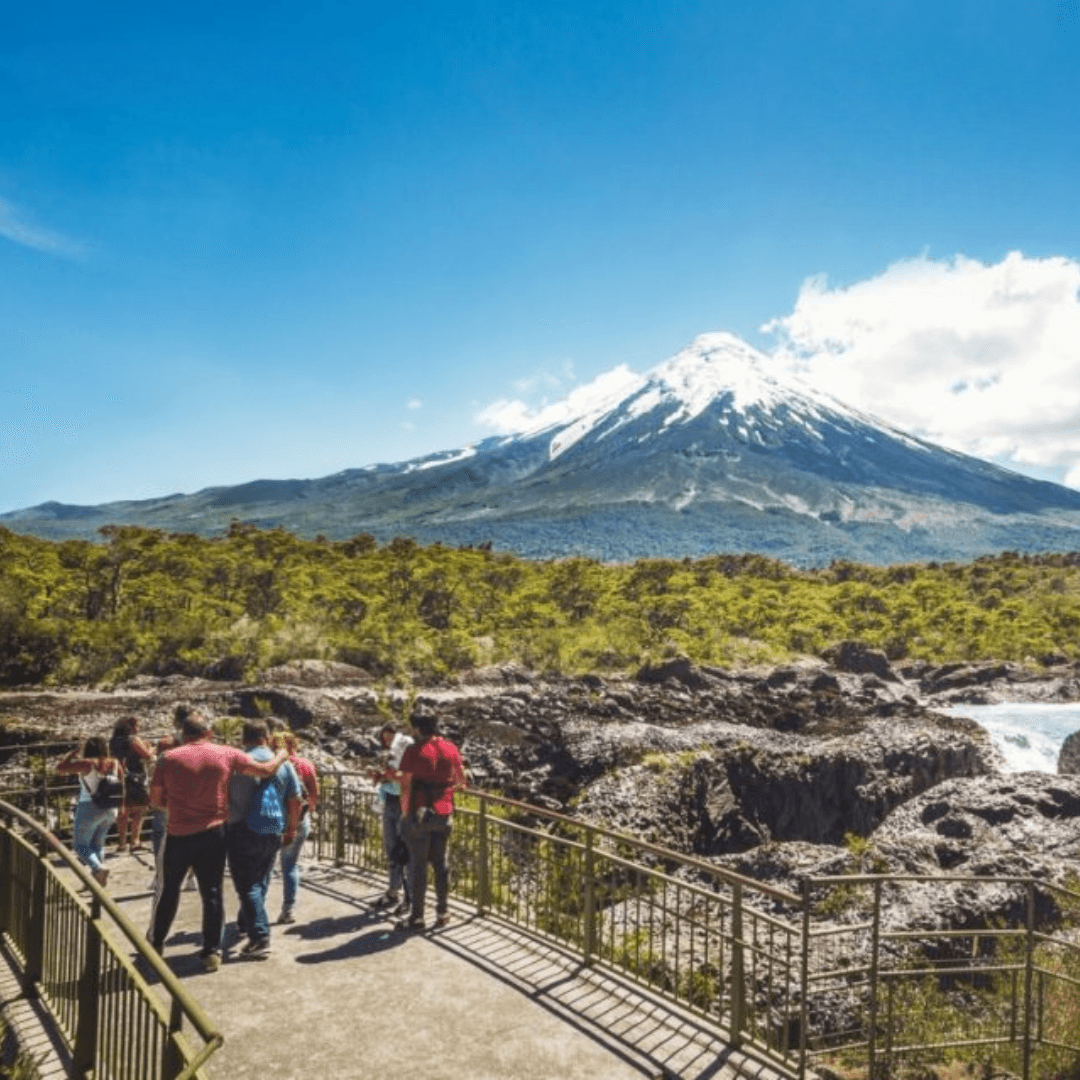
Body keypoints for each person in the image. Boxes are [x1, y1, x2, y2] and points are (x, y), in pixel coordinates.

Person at [148, 705, 289, 972]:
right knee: (212, 892)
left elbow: (155, 800)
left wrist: (176, 806)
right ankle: (211, 952)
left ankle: (155, 943)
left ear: (182, 734)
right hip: (214, 832)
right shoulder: (226, 753)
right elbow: (265, 769)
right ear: (210, 733)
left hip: (178, 832)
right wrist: (282, 755)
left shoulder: (166, 758)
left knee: (169, 890)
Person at [226, 720, 302, 958]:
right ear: (267, 737)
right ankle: (245, 922)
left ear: (243, 738)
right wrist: (291, 829)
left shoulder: (236, 761)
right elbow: (295, 799)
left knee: (247, 885)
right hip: (273, 829)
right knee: (261, 879)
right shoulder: (284, 764)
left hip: (241, 830)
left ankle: (259, 937)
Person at [397, 711, 466, 932]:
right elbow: (461, 781)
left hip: (419, 813)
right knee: (441, 864)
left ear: (417, 729)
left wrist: (405, 812)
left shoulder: (413, 751)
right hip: (444, 813)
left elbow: (405, 785)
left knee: (418, 866)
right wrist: (443, 792)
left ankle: (417, 917)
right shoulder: (450, 747)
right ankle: (443, 911)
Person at [57, 736, 125, 887]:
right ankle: (97, 879)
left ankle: (98, 868)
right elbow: (122, 785)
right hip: (110, 808)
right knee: (98, 844)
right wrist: (122, 807)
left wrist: (72, 755)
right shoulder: (114, 762)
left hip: (89, 807)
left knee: (79, 845)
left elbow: (60, 768)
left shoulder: (87, 763)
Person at [271, 731, 319, 925]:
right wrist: (310, 810)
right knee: (290, 865)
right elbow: (314, 793)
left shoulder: (274, 764)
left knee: (264, 867)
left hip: (274, 820)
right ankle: (288, 909)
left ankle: (252, 913)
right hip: (299, 819)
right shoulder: (304, 765)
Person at [368, 722, 413, 916]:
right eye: (384, 738)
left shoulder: (404, 751)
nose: (387, 741)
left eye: (390, 737)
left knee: (405, 851)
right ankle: (393, 891)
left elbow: (406, 778)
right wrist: (381, 777)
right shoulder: (388, 756)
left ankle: (408, 897)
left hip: (403, 804)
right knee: (392, 848)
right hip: (390, 801)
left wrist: (388, 776)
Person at [109, 716, 154, 852]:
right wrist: (150, 748)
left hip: (118, 777)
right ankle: (135, 840)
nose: (139, 728)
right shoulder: (133, 739)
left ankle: (122, 842)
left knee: (123, 810)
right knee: (139, 809)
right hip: (135, 777)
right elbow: (147, 756)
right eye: (137, 726)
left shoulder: (113, 741)